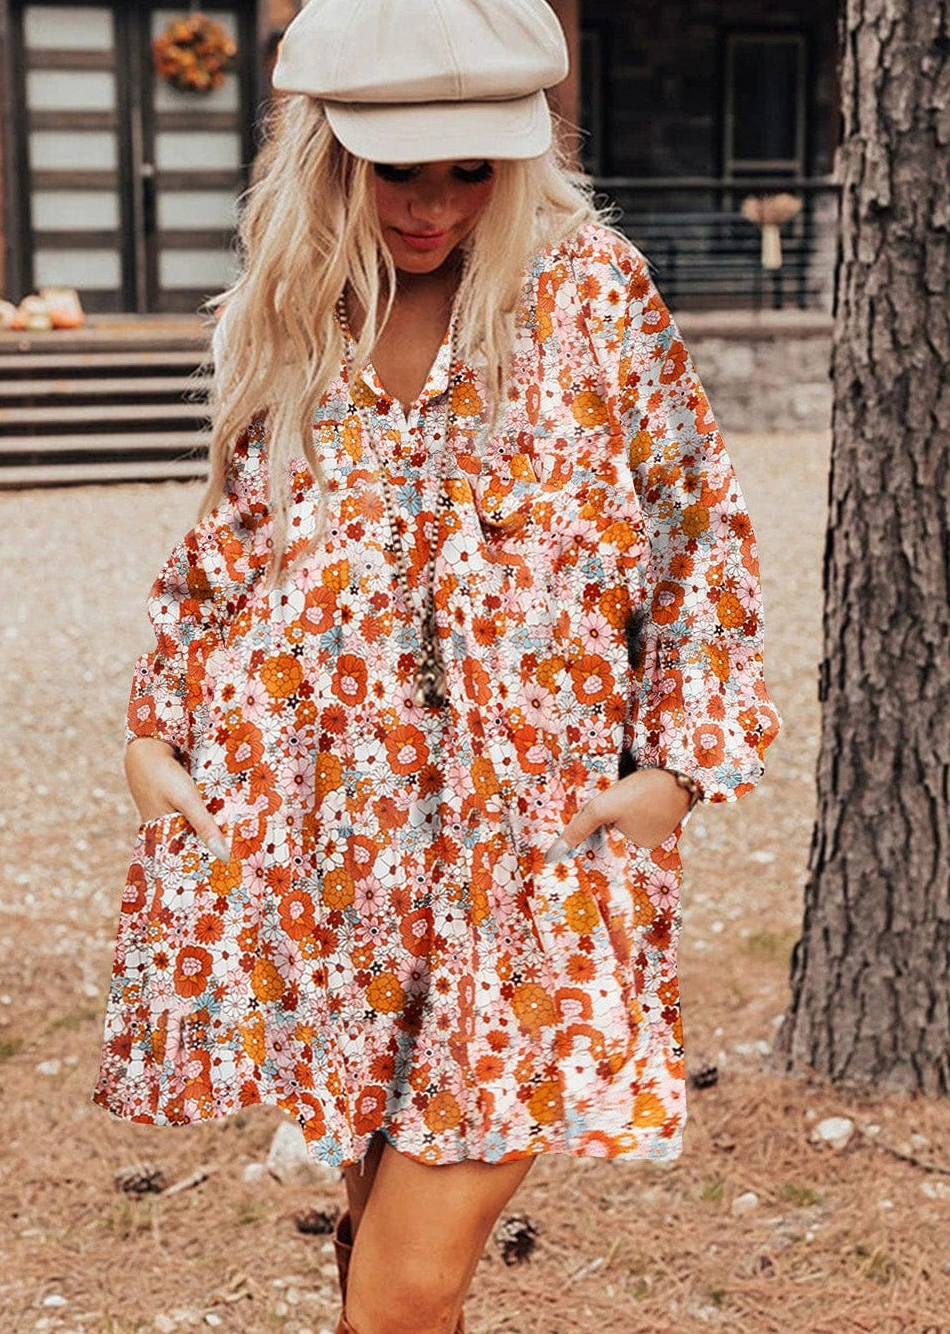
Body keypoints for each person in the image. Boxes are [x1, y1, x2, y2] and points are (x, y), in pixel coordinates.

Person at [93, 1, 781, 1331]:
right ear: (327, 151)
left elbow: (697, 522)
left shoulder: (584, 294)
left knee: (403, 1290)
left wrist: (677, 772)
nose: (434, 204)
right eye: (398, 167)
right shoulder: (303, 308)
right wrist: (154, 726)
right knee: (372, 1254)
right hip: (335, 858)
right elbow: (233, 542)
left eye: (471, 169)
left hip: (524, 865)